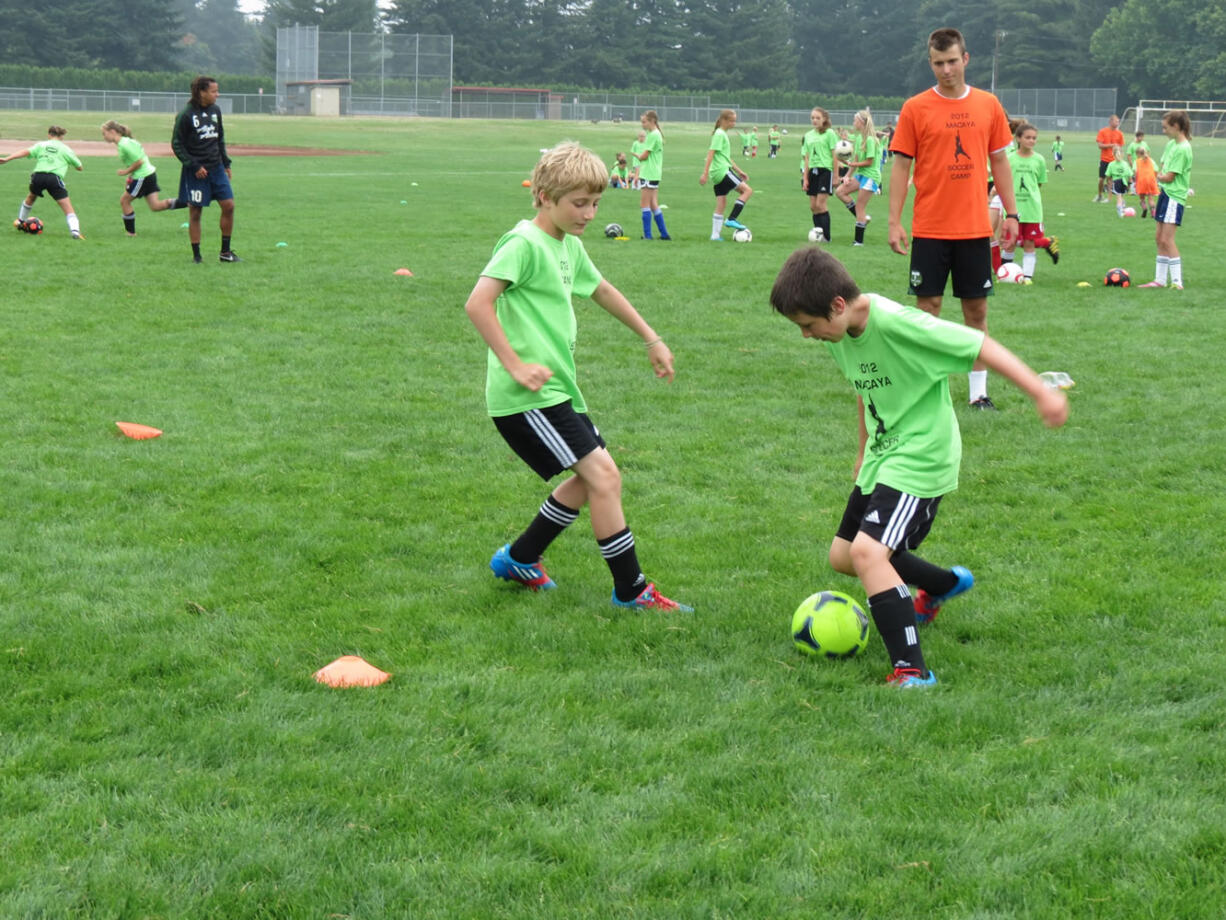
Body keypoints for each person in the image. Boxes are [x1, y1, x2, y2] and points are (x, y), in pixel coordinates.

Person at [770, 246, 1068, 688]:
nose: (806, 336)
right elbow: (864, 386)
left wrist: (1040, 392)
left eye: (809, 326)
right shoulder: (842, 331)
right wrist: (863, 447)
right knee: (843, 556)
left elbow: (977, 344)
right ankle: (944, 584)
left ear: (836, 306)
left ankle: (912, 671)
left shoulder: (897, 324)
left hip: (922, 455)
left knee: (868, 553)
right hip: (884, 454)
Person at [463, 141, 690, 612]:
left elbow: (602, 289)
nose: (589, 214)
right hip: (526, 396)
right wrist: (515, 364)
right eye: (579, 204)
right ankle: (631, 590)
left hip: (559, 391)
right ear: (544, 196)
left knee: (592, 481)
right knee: (605, 476)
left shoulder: (568, 245)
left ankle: (521, 558)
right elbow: (477, 303)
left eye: (595, 204)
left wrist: (652, 338)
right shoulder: (523, 243)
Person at [887, 27, 1018, 411]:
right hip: (930, 227)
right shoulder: (915, 108)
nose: (946, 70)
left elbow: (999, 160)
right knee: (927, 313)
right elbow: (900, 166)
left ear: (966, 59)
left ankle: (979, 392)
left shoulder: (988, 105)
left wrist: (1012, 213)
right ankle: (928, 390)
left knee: (976, 312)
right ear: (930, 63)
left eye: (952, 61)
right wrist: (894, 221)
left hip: (975, 228)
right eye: (938, 63)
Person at [172, 75, 239, 263]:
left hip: (216, 167)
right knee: (195, 211)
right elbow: (177, 144)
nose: (217, 95)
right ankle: (197, 256)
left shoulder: (216, 111)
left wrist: (226, 164)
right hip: (196, 171)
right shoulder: (185, 114)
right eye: (214, 91)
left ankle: (225, 253)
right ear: (201, 92)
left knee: (229, 206)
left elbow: (220, 139)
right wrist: (194, 165)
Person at [101, 120, 185, 236]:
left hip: (143, 176)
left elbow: (139, 162)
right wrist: (130, 176)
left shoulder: (124, 144)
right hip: (148, 174)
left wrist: (126, 172)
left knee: (125, 201)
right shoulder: (125, 142)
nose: (103, 137)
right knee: (155, 206)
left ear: (112, 131)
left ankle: (131, 233)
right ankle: (188, 202)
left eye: (104, 133)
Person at [0, 125, 85, 239]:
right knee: (67, 207)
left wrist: (7, 158)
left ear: (49, 135)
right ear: (61, 137)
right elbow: (79, 167)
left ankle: (20, 221)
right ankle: (75, 232)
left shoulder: (41, 145)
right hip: (53, 178)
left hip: (38, 176)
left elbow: (25, 152)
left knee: (31, 197)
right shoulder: (65, 149)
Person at [1140, 110, 1193, 290]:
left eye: (1165, 127)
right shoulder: (1171, 144)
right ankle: (1159, 280)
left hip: (1174, 197)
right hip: (1165, 194)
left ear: (1176, 126)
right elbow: (1163, 165)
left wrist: (1156, 177)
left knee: (1167, 239)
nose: (1163, 131)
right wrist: (1159, 175)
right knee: (1159, 238)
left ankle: (1177, 282)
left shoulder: (1184, 149)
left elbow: (1169, 176)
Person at [1002, 122, 1057, 281]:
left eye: (1034, 138)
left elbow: (1038, 184)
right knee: (1009, 243)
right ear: (1018, 138)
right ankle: (1004, 273)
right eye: (1028, 137)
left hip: (1032, 209)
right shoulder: (1010, 158)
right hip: (1013, 209)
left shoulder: (1039, 159)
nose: (1031, 141)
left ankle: (1027, 277)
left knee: (1029, 243)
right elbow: (1005, 181)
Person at [699, 109, 752, 240]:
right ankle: (732, 219)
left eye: (735, 120)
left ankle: (715, 235)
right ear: (724, 120)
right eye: (732, 121)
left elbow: (726, 157)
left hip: (717, 174)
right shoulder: (720, 134)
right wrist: (704, 173)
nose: (734, 123)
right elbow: (710, 154)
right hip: (721, 171)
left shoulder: (721, 134)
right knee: (747, 191)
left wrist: (739, 171)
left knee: (721, 203)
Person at [833, 107, 881, 246]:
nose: (853, 122)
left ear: (862, 122)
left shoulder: (871, 140)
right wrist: (847, 175)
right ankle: (862, 219)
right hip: (861, 175)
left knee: (860, 206)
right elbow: (855, 160)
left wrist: (852, 163)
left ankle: (858, 242)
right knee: (840, 192)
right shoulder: (860, 138)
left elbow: (869, 162)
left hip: (871, 176)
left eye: (855, 120)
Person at [801, 106, 840, 242]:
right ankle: (818, 234)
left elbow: (834, 155)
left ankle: (826, 237)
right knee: (813, 206)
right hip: (813, 172)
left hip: (825, 171)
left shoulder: (829, 134)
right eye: (812, 118)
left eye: (818, 118)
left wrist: (836, 175)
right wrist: (805, 178)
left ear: (824, 119)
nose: (815, 120)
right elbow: (807, 158)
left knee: (820, 204)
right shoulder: (808, 135)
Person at [632, 110, 670, 240]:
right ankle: (664, 234)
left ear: (652, 121)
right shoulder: (654, 133)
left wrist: (637, 156)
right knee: (654, 204)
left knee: (645, 204)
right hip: (655, 173)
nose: (642, 124)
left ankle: (648, 236)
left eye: (644, 122)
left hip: (648, 173)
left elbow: (645, 156)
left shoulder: (653, 135)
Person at [1094, 114, 1124, 203]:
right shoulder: (1103, 131)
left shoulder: (1120, 134)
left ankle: (1109, 198)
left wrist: (1119, 156)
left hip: (1114, 161)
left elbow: (1120, 147)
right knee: (1101, 179)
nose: (1118, 123)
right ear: (1110, 121)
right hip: (1104, 159)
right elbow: (1100, 145)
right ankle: (1099, 195)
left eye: (1118, 121)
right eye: (1116, 121)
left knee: (1110, 180)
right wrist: (1111, 145)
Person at [1104, 145, 1133, 217]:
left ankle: (1120, 212)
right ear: (1122, 154)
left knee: (1119, 197)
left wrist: (1108, 182)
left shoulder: (1111, 164)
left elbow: (1107, 175)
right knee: (1121, 196)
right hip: (1124, 182)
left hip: (1116, 182)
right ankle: (1123, 206)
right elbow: (1130, 174)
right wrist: (1129, 184)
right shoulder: (1125, 164)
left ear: (1113, 155)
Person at [1133, 145, 1158, 219]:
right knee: (1150, 198)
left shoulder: (1137, 161)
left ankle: (1144, 208)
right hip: (1150, 180)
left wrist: (1135, 181)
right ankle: (1153, 212)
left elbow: (1135, 171)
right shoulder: (1151, 160)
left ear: (1137, 154)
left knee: (1142, 198)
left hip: (1141, 180)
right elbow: (1156, 170)